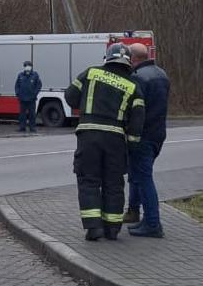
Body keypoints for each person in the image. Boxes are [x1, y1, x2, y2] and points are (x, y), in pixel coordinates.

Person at [64, 43, 145, 241]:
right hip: (115, 140)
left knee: (89, 180)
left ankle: (93, 228)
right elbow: (137, 120)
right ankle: (112, 229)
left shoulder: (91, 73)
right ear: (128, 62)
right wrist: (132, 145)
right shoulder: (133, 86)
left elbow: (70, 97)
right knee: (114, 184)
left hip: (88, 136)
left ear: (107, 58)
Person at [124, 43, 170, 238]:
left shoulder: (138, 78)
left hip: (142, 134)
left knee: (143, 178)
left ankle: (152, 223)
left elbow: (134, 109)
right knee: (137, 174)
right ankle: (134, 212)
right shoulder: (162, 74)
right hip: (158, 133)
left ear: (134, 59)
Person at [15, 61, 42, 133]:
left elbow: (39, 85)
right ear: (24, 67)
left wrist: (35, 94)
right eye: (26, 65)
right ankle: (22, 127)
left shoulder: (35, 75)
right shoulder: (20, 75)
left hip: (31, 99)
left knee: (32, 114)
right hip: (22, 98)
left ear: (31, 67)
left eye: (29, 65)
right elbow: (17, 85)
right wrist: (18, 94)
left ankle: (32, 128)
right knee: (22, 114)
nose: (28, 67)